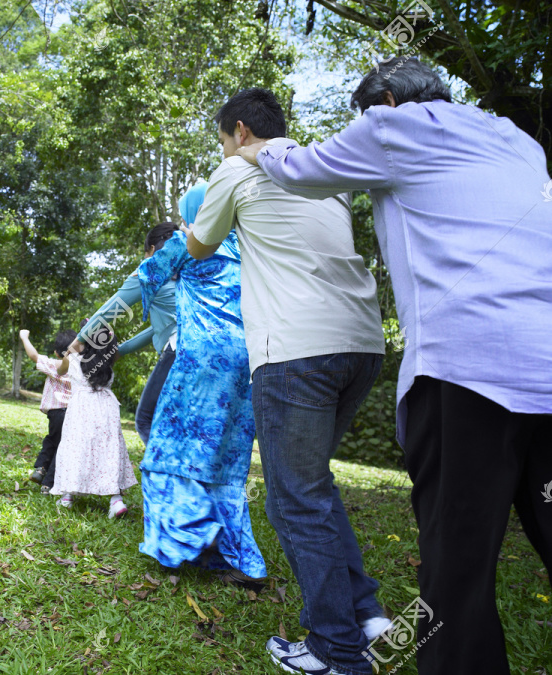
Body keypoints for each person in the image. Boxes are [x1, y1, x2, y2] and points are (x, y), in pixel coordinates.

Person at [236, 58, 552, 675]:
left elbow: (299, 168)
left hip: (468, 374)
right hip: (546, 367)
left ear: (383, 100)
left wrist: (255, 150)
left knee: (456, 571)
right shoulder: (515, 139)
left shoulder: (392, 127)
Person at [187, 88, 390, 675]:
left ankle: (336, 652)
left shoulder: (233, 168)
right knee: (312, 490)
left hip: (295, 351)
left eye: (225, 138)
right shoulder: (325, 166)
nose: (225, 148)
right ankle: (369, 617)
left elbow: (201, 246)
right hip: (361, 343)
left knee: (293, 501)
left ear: (240, 131)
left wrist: (196, 220)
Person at [136, 187, 267, 588]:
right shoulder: (247, 250)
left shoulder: (186, 243)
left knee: (169, 448)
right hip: (245, 364)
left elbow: (148, 274)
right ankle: (241, 561)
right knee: (226, 460)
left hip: (201, 360)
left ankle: (188, 538)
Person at [71, 223, 179, 445]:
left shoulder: (149, 269)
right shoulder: (181, 271)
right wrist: (119, 351)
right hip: (206, 346)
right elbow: (158, 329)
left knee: (146, 420)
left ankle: (167, 474)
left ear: (151, 249)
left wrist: (78, 341)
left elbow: (113, 309)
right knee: (179, 421)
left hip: (179, 349)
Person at [50, 324, 138, 518]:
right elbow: (130, 344)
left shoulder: (71, 359)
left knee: (75, 447)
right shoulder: (109, 359)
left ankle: (67, 497)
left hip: (81, 409)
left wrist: (77, 342)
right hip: (106, 408)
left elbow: (61, 370)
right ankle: (116, 500)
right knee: (108, 449)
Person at [19, 329, 75, 494]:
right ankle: (48, 484)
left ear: (57, 352)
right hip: (73, 414)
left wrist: (24, 337)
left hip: (56, 412)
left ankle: (41, 469)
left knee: (51, 440)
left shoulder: (55, 364)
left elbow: (34, 356)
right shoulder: (80, 368)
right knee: (63, 448)